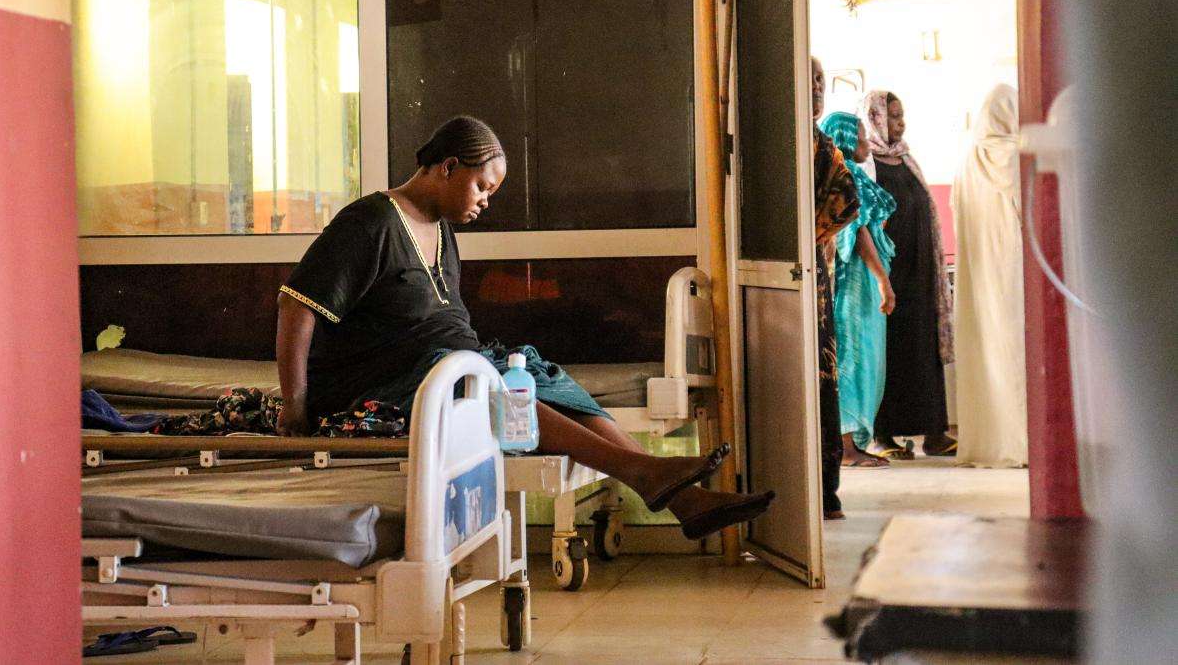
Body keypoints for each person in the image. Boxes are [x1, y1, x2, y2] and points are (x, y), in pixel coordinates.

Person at [274, 115, 774, 539]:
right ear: (448, 167)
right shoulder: (369, 223)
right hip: (384, 381)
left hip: (442, 368)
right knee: (490, 386)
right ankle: (646, 474)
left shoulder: (442, 231)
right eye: (482, 187)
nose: (487, 201)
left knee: (538, 373)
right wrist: (295, 405)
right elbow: (297, 307)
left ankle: (678, 498)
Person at [860, 91, 957, 458]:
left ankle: (934, 432)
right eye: (893, 117)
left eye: (902, 117)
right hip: (888, 273)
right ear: (876, 119)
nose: (900, 124)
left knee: (923, 350)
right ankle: (884, 437)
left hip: (919, 274)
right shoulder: (868, 162)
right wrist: (882, 275)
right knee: (891, 352)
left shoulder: (906, 160)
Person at [952, 85, 1028, 468]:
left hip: (976, 274)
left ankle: (987, 442)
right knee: (1015, 350)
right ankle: (1020, 440)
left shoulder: (967, 156)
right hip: (1009, 267)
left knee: (985, 352)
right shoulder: (1009, 153)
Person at [820, 112, 897, 470]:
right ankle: (847, 447)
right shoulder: (846, 178)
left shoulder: (856, 177)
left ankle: (852, 444)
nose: (867, 143)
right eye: (862, 136)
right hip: (857, 284)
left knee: (866, 359)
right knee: (852, 359)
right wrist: (882, 280)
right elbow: (860, 234)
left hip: (862, 283)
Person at [811, 60, 860, 518]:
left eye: (822, 83)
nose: (817, 89)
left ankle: (822, 492)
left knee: (818, 378)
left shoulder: (823, 146)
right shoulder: (810, 144)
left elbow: (848, 201)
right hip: (798, 274)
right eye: (809, 82)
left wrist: (810, 236)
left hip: (811, 275)